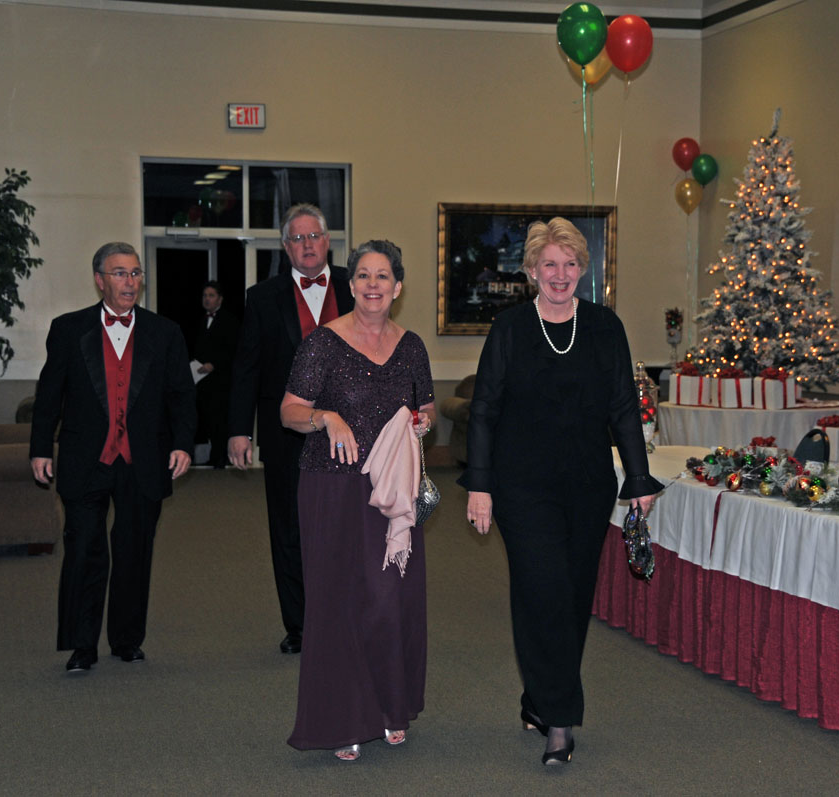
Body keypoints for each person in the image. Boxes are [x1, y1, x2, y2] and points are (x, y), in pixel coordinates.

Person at [459, 218, 661, 765]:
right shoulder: (510, 329)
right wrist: (480, 486)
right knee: (543, 588)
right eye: (549, 263)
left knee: (570, 598)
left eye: (570, 263)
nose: (560, 273)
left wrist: (638, 479)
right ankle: (561, 721)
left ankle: (538, 699)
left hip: (588, 486)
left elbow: (623, 407)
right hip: (521, 488)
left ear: (582, 270)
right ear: (531, 270)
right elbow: (484, 411)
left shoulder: (604, 327)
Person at [279, 239, 434, 761]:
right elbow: (289, 411)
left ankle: (390, 707)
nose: (373, 284)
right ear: (351, 285)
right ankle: (342, 718)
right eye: (363, 275)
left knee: (391, 599)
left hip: (392, 490)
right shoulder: (322, 343)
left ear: (398, 286)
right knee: (339, 601)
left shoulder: (411, 346)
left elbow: (428, 406)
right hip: (332, 487)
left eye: (383, 275)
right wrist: (325, 417)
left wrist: (421, 423)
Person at [29, 242, 196, 674]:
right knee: (84, 549)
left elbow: (181, 395)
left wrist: (182, 443)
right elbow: (49, 395)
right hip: (86, 459)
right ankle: (82, 645)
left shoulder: (165, 332)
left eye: (136, 273)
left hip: (144, 459)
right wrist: (41, 448)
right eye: (120, 273)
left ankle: (126, 639)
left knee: (134, 551)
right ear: (99, 280)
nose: (130, 282)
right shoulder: (68, 329)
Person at [228, 203, 354, 654]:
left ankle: (344, 619)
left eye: (314, 236)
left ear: (328, 241)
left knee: (347, 526)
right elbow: (247, 366)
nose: (307, 245)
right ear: (286, 247)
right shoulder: (262, 297)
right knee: (289, 528)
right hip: (285, 433)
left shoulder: (355, 287)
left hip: (350, 433)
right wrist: (239, 430)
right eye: (297, 238)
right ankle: (300, 626)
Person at [192, 281, 239, 468]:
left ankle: (221, 457)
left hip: (222, 381)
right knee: (208, 419)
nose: (207, 299)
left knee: (220, 419)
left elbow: (234, 351)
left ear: (220, 299)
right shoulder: (200, 321)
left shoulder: (229, 321)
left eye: (211, 295)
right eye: (205, 295)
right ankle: (214, 455)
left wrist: (214, 364)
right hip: (203, 380)